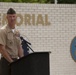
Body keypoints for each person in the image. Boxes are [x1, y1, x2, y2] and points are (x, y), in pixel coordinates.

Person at [0, 8, 24, 75]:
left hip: (15, 61)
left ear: (16, 17)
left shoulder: (17, 32)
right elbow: (2, 49)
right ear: (6, 17)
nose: (12, 18)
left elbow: (19, 47)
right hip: (6, 61)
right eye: (10, 16)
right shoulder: (3, 31)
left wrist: (22, 61)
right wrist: (11, 62)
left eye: (13, 16)